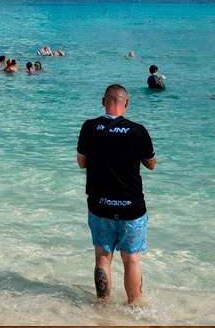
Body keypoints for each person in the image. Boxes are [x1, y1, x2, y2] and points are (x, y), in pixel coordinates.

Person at [77, 84, 157, 305]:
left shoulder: (89, 127)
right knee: (131, 259)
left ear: (103, 101)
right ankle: (135, 307)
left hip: (100, 204)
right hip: (131, 206)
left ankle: (102, 305)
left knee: (103, 257)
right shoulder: (138, 130)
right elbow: (151, 164)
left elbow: (81, 162)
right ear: (127, 103)